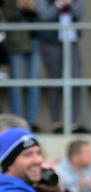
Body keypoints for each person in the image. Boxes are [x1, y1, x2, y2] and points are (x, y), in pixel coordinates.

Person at [36, 0, 88, 133]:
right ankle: (56, 123)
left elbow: (80, 12)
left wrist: (69, 3)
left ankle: (73, 123)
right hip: (51, 42)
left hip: (71, 40)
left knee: (75, 80)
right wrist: (58, 4)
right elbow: (43, 15)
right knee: (55, 82)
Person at [1, 0, 41, 132]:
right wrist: (20, 6)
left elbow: (44, 14)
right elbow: (7, 13)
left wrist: (34, 8)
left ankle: (31, 121)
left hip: (34, 38)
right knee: (16, 83)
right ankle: (17, 122)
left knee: (34, 82)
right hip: (15, 40)